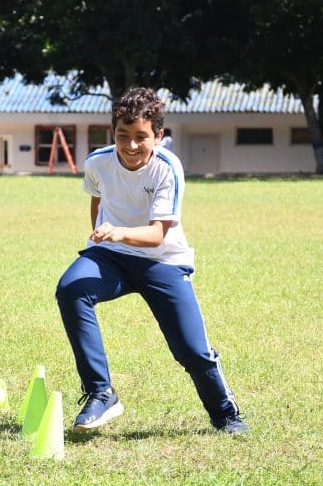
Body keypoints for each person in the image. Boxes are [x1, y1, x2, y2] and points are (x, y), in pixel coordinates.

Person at [55, 88, 247, 435]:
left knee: (191, 350)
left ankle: (225, 415)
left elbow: (157, 234)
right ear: (112, 132)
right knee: (71, 289)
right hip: (111, 255)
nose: (130, 146)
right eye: (122, 136)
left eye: (141, 137)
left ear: (158, 136)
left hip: (163, 262)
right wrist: (102, 235)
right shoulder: (97, 162)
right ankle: (100, 392)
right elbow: (97, 198)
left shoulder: (167, 168)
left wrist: (117, 232)